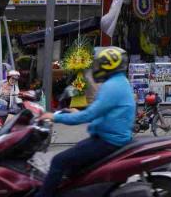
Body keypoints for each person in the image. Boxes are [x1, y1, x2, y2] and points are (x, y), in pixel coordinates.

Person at [37, 47, 135, 197]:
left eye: (99, 64)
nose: (96, 67)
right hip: (108, 137)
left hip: (107, 141)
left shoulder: (112, 86)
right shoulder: (119, 81)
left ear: (109, 65)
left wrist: (54, 117)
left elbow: (87, 116)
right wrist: (80, 112)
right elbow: (102, 109)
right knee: (72, 168)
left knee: (58, 161)